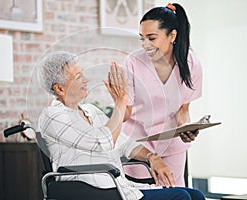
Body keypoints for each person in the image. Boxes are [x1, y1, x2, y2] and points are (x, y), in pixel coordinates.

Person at [37, 51, 205, 200]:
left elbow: (125, 144)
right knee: (180, 197)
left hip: (118, 186)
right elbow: (104, 142)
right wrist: (121, 102)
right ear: (59, 89)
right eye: (78, 77)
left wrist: (153, 158)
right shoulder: (53, 116)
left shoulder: (90, 111)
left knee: (195, 195)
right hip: (90, 188)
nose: (86, 80)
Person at [122, 3, 203, 187]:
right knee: (145, 194)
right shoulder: (133, 62)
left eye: (151, 38)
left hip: (173, 146)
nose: (145, 45)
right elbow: (124, 113)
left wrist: (186, 130)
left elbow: (183, 111)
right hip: (140, 144)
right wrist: (118, 100)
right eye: (142, 38)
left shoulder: (191, 64)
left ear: (172, 36)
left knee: (177, 195)